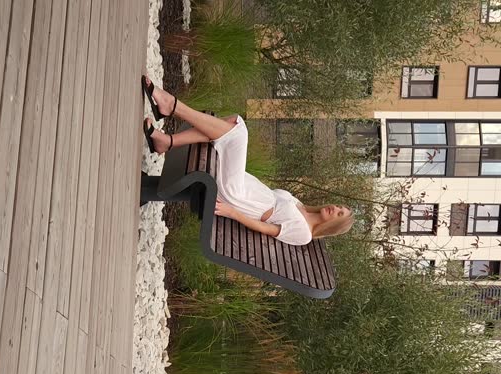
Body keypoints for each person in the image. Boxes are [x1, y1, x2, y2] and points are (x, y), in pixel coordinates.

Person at [141, 75, 354, 246]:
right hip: (240, 184)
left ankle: (171, 107)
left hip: (236, 196)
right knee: (229, 126)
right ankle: (166, 141)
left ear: (334, 226)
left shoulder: (304, 234)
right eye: (338, 206)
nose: (335, 209)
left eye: (339, 213)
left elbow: (265, 229)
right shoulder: (302, 207)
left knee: (237, 129)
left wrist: (231, 212)